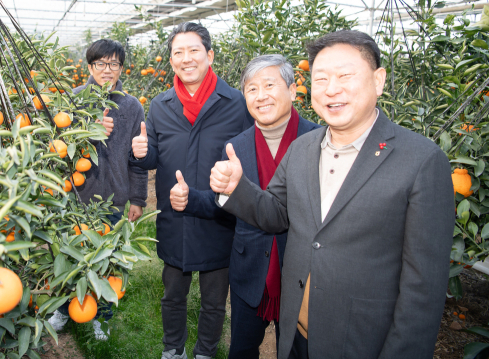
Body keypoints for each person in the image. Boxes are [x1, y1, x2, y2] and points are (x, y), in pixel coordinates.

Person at [210, 30, 455, 359]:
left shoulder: (420, 161)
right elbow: (276, 214)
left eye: (345, 76)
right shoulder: (303, 149)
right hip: (296, 336)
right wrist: (236, 189)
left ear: (378, 80)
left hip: (361, 342)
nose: (332, 89)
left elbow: (423, 289)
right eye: (321, 78)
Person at [169, 54, 320, 358]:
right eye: (251, 89)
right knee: (242, 349)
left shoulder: (318, 140)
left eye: (269, 85)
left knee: (299, 352)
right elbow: (223, 202)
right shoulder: (236, 146)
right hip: (250, 270)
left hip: (302, 274)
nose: (260, 95)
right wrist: (189, 199)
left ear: (292, 91)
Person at [130, 22, 253, 359]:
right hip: (177, 217)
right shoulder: (161, 106)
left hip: (219, 218)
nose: (186, 59)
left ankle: (205, 351)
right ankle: (173, 350)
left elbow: (249, 161)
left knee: (214, 300)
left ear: (209, 55)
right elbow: (152, 158)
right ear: (171, 61)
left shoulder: (236, 104)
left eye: (193, 50)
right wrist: (139, 153)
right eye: (178, 53)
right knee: (173, 295)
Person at [49, 38, 148, 340]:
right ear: (90, 66)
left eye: (114, 64)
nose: (108, 70)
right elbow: (56, 149)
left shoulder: (131, 107)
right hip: (77, 197)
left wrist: (138, 197)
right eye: (101, 63)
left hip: (115, 199)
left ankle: (101, 316)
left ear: (121, 67)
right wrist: (87, 131)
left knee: (108, 262)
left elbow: (137, 158)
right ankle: (64, 309)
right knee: (69, 256)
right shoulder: (73, 100)